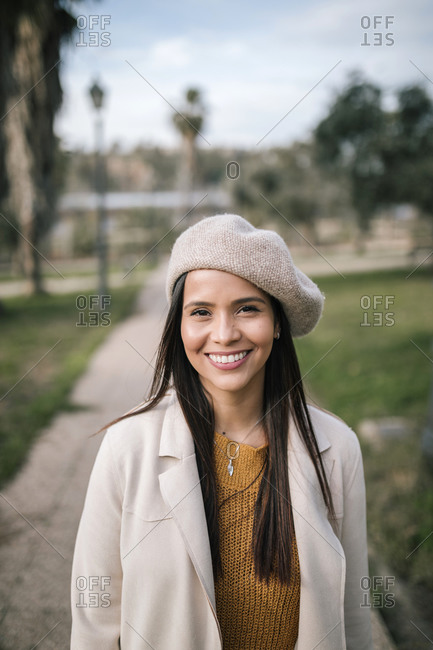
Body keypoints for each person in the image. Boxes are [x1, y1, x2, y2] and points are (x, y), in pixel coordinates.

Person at [70, 213, 373, 650]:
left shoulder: (337, 448)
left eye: (247, 308)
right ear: (180, 325)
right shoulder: (128, 448)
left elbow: (353, 614)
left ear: (279, 322)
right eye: (201, 312)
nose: (225, 334)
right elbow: (94, 621)